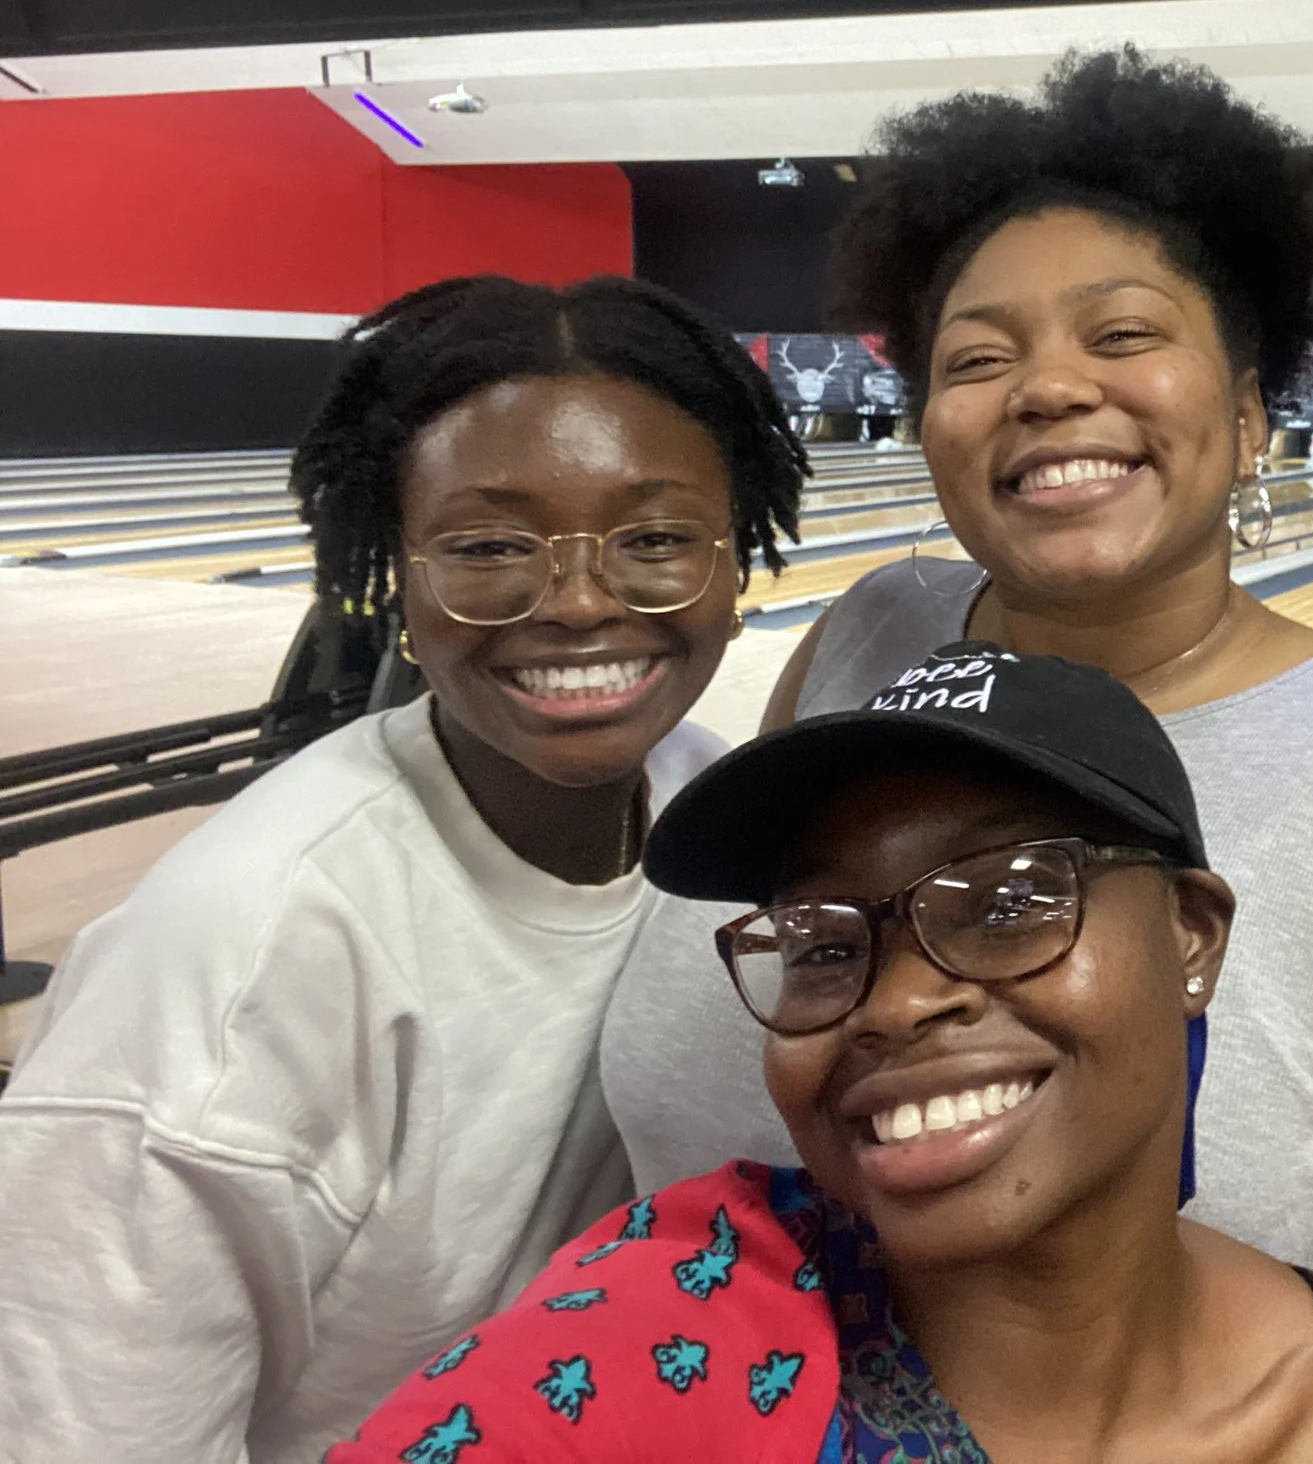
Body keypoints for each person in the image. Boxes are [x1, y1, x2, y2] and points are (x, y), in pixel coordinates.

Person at [600, 48, 1313, 1460]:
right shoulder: (873, 632)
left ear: (1250, 414)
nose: (1048, 387)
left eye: (1122, 336)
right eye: (979, 357)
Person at [0, 276, 807, 1463]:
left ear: (736, 572)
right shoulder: (234, 965)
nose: (581, 602)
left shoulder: (714, 809)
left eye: (654, 540)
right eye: (486, 546)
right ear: (399, 584)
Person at [331, 642, 1313, 1463]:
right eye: (826, 945)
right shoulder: (669, 1330)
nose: (897, 1002)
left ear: (1192, 936)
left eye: (1009, 900)